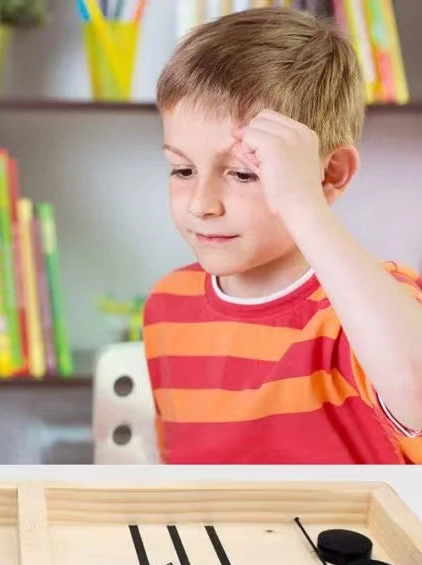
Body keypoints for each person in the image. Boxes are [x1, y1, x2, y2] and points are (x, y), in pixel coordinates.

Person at [142, 7, 422, 464]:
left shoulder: (371, 305)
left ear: (330, 175)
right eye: (182, 169)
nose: (201, 204)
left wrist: (302, 203)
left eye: (243, 174)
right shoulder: (167, 305)